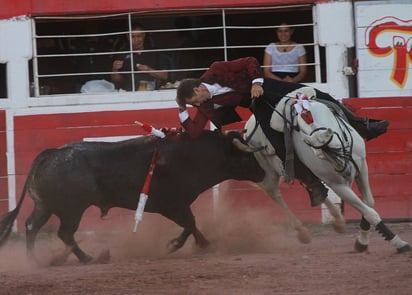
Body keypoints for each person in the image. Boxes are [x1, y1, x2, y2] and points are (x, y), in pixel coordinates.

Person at [175, 57, 389, 207]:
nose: (196, 106)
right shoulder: (205, 106)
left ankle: (363, 125)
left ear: (196, 90)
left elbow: (249, 61)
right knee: (277, 143)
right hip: (258, 106)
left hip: (267, 88)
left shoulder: (216, 70)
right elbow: (194, 132)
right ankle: (313, 184)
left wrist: (256, 82)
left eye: (193, 102)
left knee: (320, 95)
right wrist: (182, 111)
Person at [111, 23, 169, 91]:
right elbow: (117, 82)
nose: (136, 40)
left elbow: (165, 76)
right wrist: (115, 69)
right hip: (129, 92)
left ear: (144, 35)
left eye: (139, 36)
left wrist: (148, 70)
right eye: (132, 37)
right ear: (127, 37)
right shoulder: (122, 54)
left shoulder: (154, 52)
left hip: (152, 92)